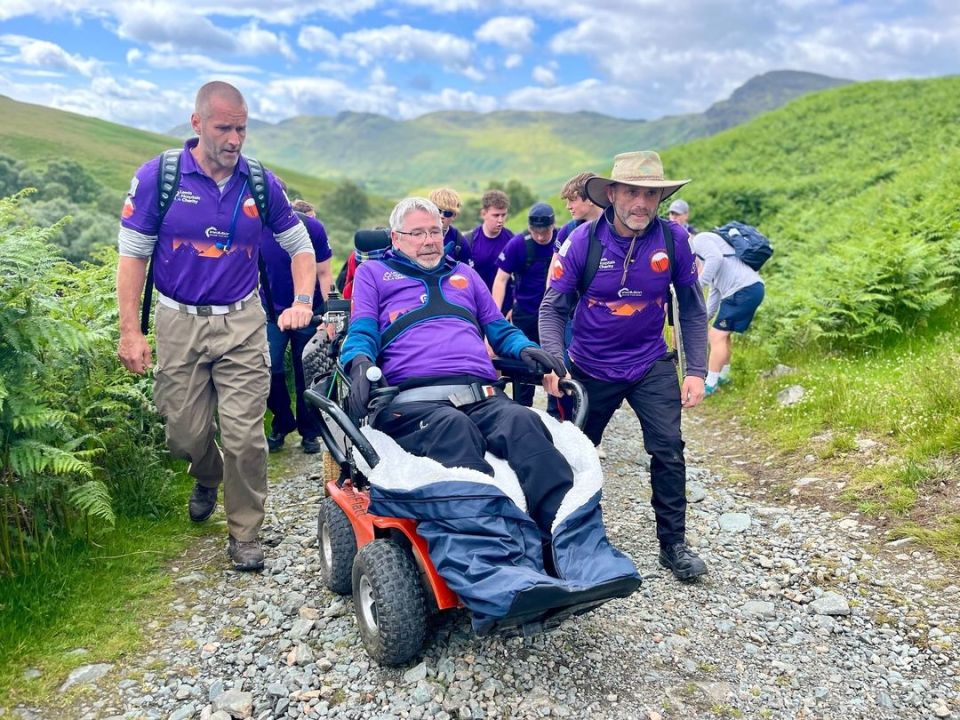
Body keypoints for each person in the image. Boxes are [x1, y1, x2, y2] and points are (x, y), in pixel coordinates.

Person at [340, 196, 640, 632]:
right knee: (454, 432)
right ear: (395, 239)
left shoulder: (465, 276)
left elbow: (498, 329)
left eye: (435, 232)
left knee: (527, 425)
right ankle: (497, 577)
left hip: (482, 393)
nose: (429, 241)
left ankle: (575, 557)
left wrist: (526, 349)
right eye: (418, 233)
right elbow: (362, 329)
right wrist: (358, 363)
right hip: (412, 402)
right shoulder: (373, 273)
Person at [116, 81, 316, 572]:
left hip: (243, 321)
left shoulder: (260, 181)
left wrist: (304, 301)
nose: (234, 138)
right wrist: (130, 331)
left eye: (242, 128)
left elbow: (301, 246)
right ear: (197, 123)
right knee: (182, 433)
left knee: (246, 436)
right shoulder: (158, 178)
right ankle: (208, 475)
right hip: (177, 320)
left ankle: (245, 533)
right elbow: (132, 256)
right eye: (224, 127)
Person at [539, 150, 709, 581]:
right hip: (590, 367)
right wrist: (555, 364)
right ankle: (557, 539)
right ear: (611, 193)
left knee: (668, 448)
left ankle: (673, 546)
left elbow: (690, 308)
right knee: (572, 452)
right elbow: (552, 309)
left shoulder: (674, 241)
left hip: (650, 362)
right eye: (632, 191)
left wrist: (696, 371)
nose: (641, 203)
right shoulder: (580, 242)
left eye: (651, 194)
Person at [262, 194, 334, 453]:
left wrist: (330, 314)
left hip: (309, 311)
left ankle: (309, 431)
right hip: (271, 313)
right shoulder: (255, 226)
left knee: (308, 372)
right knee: (267, 369)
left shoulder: (312, 227)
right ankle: (282, 422)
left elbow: (324, 272)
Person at [491, 202, 557, 407]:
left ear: (552, 226)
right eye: (535, 232)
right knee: (524, 364)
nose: (539, 237)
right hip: (525, 314)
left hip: (554, 314)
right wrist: (494, 316)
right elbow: (501, 279)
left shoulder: (562, 240)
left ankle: (558, 412)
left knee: (556, 361)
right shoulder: (519, 244)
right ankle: (523, 408)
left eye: (544, 232)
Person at [690, 231, 765, 395]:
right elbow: (713, 299)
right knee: (724, 336)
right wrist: (702, 320)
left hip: (742, 290)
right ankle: (723, 376)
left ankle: (710, 383)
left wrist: (696, 287)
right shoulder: (716, 271)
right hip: (751, 289)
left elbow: (715, 258)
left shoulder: (699, 240)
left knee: (716, 336)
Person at [467, 189, 513, 313]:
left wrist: (515, 307)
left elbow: (521, 278)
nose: (500, 220)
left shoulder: (512, 241)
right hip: (476, 309)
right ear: (483, 213)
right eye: (496, 215)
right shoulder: (469, 241)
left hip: (505, 312)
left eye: (503, 215)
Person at [556, 172, 602, 248]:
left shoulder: (618, 227)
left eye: (572, 200)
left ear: (591, 198)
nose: (568, 207)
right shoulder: (567, 231)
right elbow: (556, 259)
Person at [428, 187, 472, 265]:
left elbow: (468, 274)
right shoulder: (415, 234)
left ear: (454, 216)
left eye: (447, 213)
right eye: (438, 210)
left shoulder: (459, 241)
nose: (441, 216)